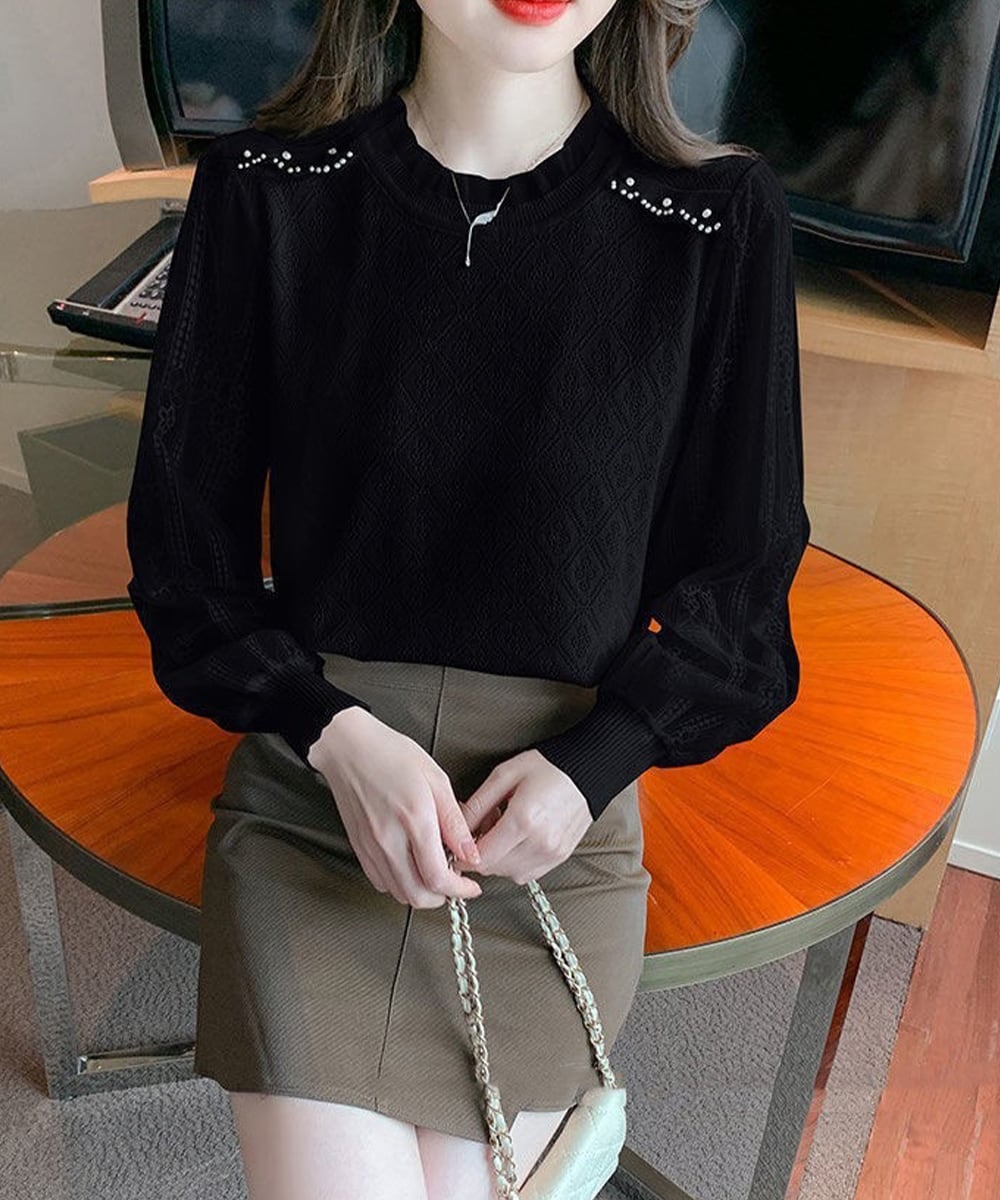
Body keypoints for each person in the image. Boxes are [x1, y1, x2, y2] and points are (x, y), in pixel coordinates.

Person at [124, 0, 812, 1197]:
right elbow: (188, 566)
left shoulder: (713, 220)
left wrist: (592, 766)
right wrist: (334, 737)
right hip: (317, 798)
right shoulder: (267, 191)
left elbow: (742, 596)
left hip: (549, 829)